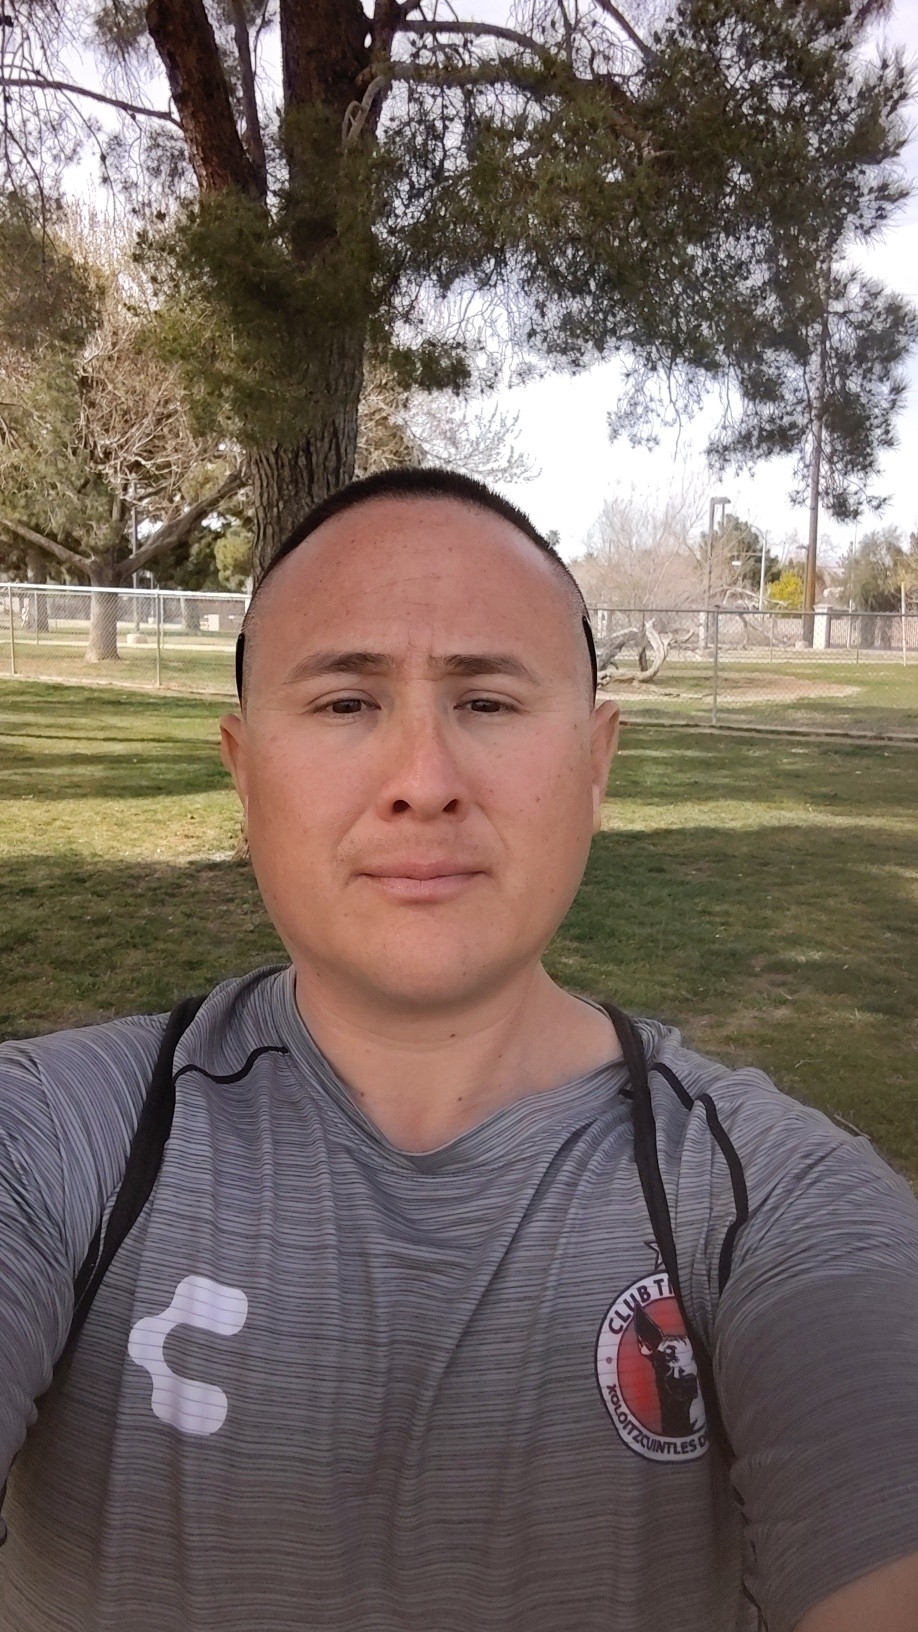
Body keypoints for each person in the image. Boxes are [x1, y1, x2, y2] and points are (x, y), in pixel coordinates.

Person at [0, 466, 916, 1632]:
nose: (422, 783)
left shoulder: (773, 1204)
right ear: (243, 770)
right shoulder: (56, 1143)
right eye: (346, 704)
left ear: (597, 763)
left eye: (485, 702)